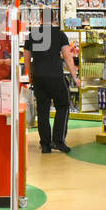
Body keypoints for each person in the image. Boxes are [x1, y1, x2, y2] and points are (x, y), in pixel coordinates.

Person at [23, 12, 78, 154]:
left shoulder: (32, 35)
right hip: (56, 76)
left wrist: (30, 77)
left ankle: (45, 145)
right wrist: (74, 75)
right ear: (54, 19)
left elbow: (27, 59)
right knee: (63, 106)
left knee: (43, 110)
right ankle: (58, 141)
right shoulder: (60, 35)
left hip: (39, 77)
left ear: (40, 19)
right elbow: (67, 56)